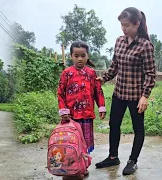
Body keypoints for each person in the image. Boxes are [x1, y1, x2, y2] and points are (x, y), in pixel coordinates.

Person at [95, 7, 156, 175]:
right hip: (119, 92)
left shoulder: (145, 46)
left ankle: (132, 161)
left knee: (138, 129)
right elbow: (115, 65)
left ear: (137, 24)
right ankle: (113, 156)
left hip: (136, 96)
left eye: (127, 25)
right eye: (122, 25)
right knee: (114, 124)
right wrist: (104, 78)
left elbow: (150, 74)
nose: (123, 28)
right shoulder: (119, 41)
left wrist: (145, 96)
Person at [57, 41, 106, 179]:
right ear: (71, 56)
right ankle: (68, 169)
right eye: (76, 55)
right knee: (70, 143)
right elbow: (60, 93)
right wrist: (64, 111)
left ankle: (82, 169)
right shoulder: (66, 73)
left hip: (86, 116)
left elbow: (98, 91)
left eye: (83, 55)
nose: (80, 59)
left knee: (84, 144)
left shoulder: (91, 73)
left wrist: (101, 107)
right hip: (70, 117)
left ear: (87, 56)